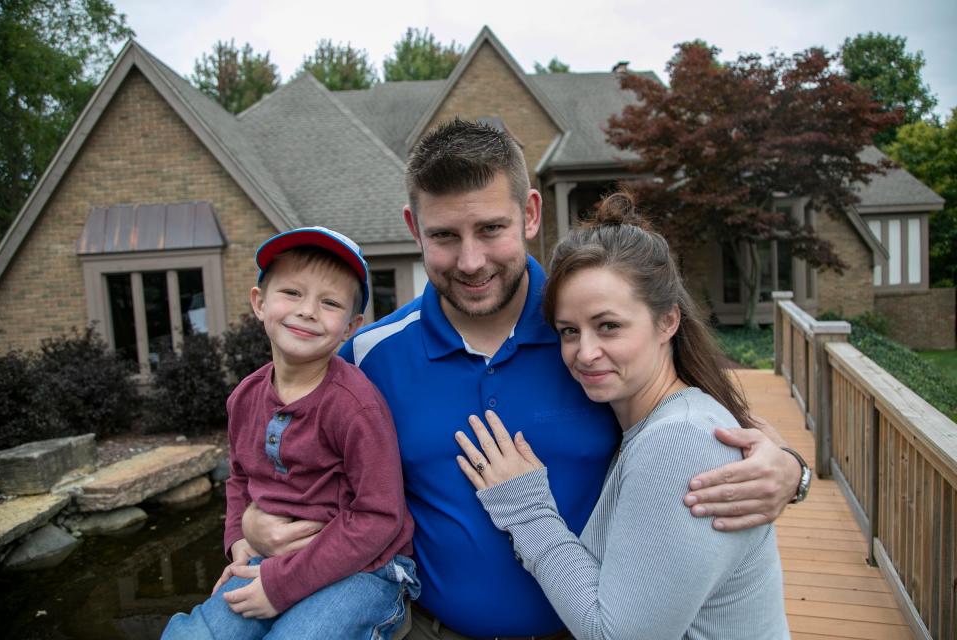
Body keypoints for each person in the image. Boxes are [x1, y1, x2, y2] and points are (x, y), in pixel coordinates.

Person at [241, 119, 809, 639]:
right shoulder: (369, 354)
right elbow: (302, 461)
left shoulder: (590, 333)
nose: (470, 261)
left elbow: (699, 417)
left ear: (531, 214)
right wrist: (250, 524)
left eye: (492, 229)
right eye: (444, 236)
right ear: (414, 228)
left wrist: (791, 469)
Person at [454, 191, 789, 638]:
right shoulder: (654, 422)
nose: (585, 352)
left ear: (667, 321)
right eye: (569, 331)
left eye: (608, 325)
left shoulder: (681, 440)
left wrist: (527, 509)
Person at [162, 226, 419, 640]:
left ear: (350, 327)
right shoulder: (244, 398)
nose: (308, 311)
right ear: (259, 303)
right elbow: (240, 478)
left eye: (329, 302)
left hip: (365, 570)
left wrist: (283, 585)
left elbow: (379, 516)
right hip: (270, 558)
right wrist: (237, 540)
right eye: (292, 293)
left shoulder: (355, 406)